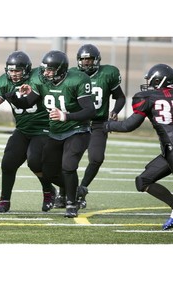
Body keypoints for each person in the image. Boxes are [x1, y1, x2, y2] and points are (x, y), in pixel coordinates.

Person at [6, 50, 95, 218]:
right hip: (56, 132)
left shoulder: (77, 79)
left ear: (61, 69)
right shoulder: (42, 82)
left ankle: (71, 203)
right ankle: (77, 191)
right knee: (47, 170)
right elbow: (27, 103)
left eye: (50, 70)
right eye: (44, 69)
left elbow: (90, 110)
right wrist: (14, 98)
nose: (45, 73)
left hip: (77, 130)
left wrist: (66, 116)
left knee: (68, 166)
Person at [0, 51, 60, 213]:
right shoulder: (4, 82)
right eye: (11, 70)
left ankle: (48, 190)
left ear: (27, 70)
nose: (14, 74)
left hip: (43, 127)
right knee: (8, 163)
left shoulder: (37, 77)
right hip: (23, 129)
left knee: (35, 161)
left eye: (18, 70)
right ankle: (5, 201)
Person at [104, 63, 173, 231]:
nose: (149, 84)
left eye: (152, 81)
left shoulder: (149, 97)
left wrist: (108, 126)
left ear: (160, 81)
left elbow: (129, 125)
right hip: (168, 150)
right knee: (143, 180)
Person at [62, 44, 126, 209]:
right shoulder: (73, 75)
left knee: (96, 158)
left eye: (89, 59)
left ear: (96, 60)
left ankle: (81, 188)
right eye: (83, 59)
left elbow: (120, 97)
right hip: (76, 122)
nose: (86, 63)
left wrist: (115, 110)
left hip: (98, 123)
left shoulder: (107, 74)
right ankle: (64, 193)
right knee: (67, 161)